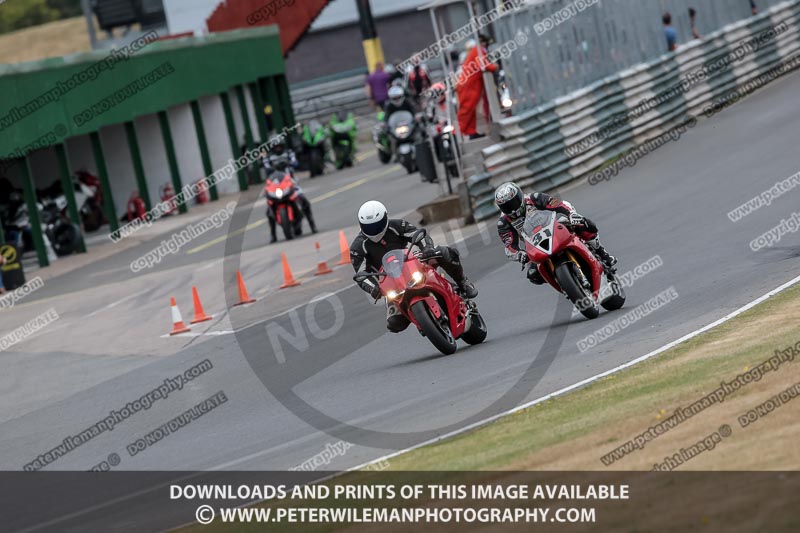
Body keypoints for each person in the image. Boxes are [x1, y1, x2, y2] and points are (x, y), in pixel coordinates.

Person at [351, 201, 478, 332]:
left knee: (443, 252)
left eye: (377, 225)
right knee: (394, 324)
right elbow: (361, 275)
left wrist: (427, 248)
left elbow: (419, 235)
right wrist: (374, 288)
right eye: (369, 227)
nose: (374, 230)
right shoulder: (357, 247)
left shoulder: (397, 225)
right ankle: (423, 322)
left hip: (411, 261)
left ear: (385, 217)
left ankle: (463, 282)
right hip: (389, 281)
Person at [493, 182, 616, 286]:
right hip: (534, 244)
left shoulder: (534, 198)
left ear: (519, 196)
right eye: (506, 206)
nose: (512, 209)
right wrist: (520, 254)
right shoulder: (503, 223)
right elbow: (509, 246)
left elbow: (558, 204)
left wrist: (571, 214)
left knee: (583, 224)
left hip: (555, 228)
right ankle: (565, 284)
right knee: (533, 275)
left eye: (513, 203)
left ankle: (602, 253)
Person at [262, 140, 317, 242]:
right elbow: (266, 167)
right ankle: (273, 235)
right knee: (268, 210)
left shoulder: (289, 152)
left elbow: (295, 162)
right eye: (275, 146)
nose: (278, 148)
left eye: (279, 146)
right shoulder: (268, 157)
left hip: (291, 181)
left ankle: (312, 224)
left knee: (303, 200)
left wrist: (290, 163)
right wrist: (271, 167)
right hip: (276, 184)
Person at [456, 34, 497, 140]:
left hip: (471, 85)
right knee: (467, 109)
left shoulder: (476, 51)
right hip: (469, 86)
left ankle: (471, 132)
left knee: (471, 109)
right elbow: (483, 65)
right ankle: (460, 132)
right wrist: (495, 66)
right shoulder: (478, 51)